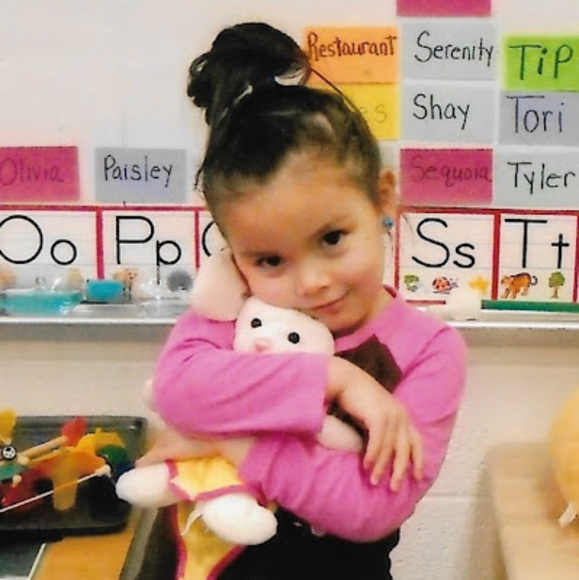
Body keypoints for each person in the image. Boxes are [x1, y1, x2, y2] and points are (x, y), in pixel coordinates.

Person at [138, 21, 467, 580]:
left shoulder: (428, 350)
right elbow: (178, 390)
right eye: (270, 260)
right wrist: (336, 380)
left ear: (382, 199)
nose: (311, 283)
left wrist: (229, 441)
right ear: (236, 255)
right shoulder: (235, 306)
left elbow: (371, 509)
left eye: (331, 238)